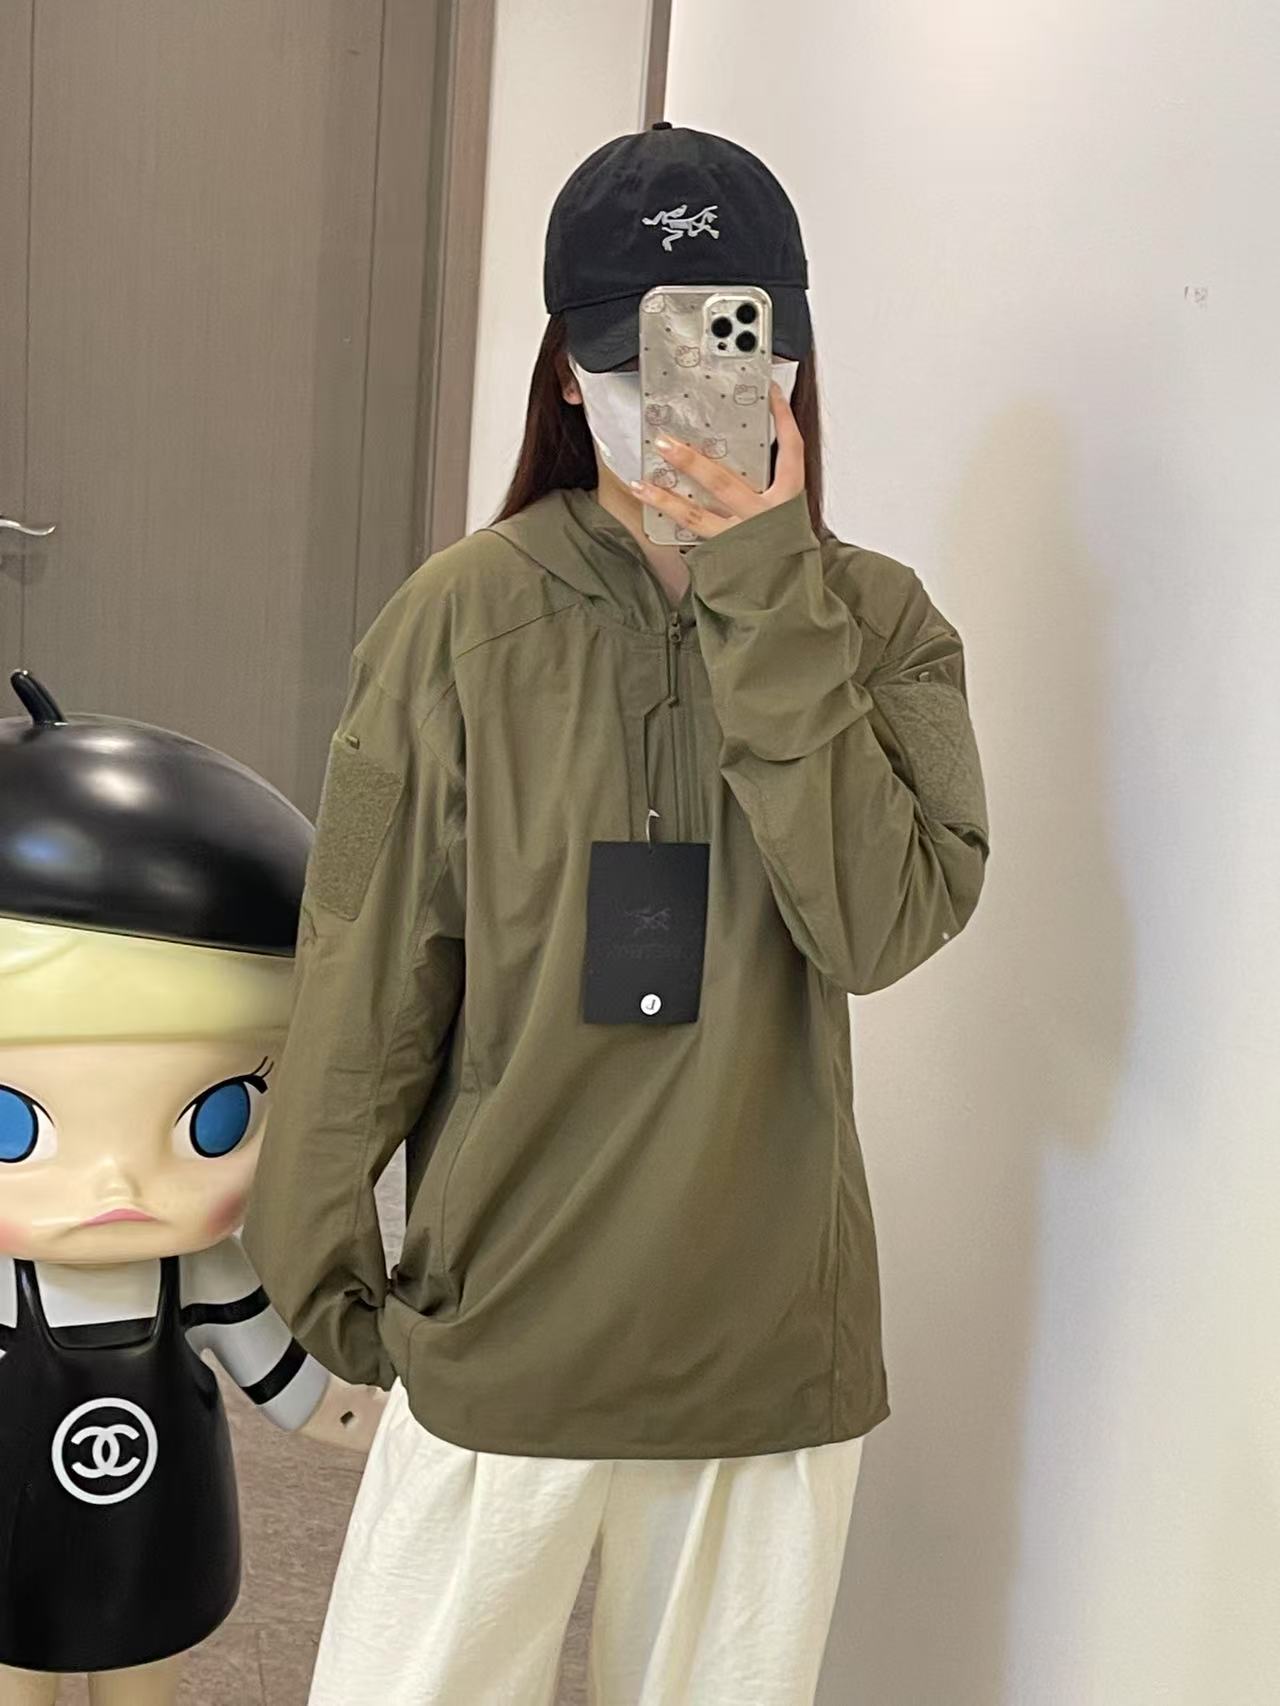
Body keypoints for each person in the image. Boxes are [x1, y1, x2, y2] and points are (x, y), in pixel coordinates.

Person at [242, 121, 991, 1706]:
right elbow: (365, 956)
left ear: (788, 364)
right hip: (507, 1318)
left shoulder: (876, 623)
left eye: (727, 352)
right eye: (634, 362)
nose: (680, 403)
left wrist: (764, 585)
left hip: (765, 1347)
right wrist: (310, 1242)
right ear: (569, 379)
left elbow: (880, 926)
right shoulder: (455, 621)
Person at [0, 673, 381, 1706]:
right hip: (10, 1553)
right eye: (12, 1125)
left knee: (142, 1683)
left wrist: (409, 1427)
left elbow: (299, 1390)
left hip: (160, 1547)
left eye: (216, 1117)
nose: (116, 1182)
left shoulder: (205, 1271)